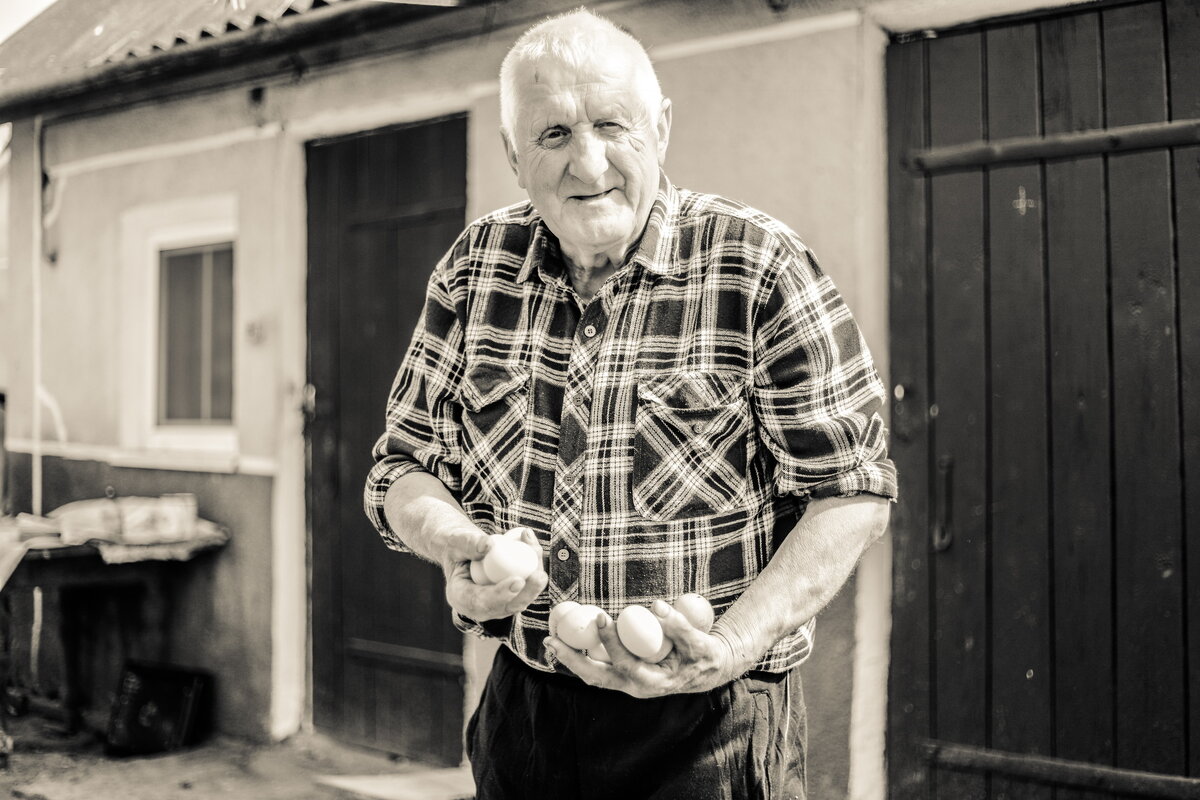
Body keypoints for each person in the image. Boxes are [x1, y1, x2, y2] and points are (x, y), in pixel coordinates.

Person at [364, 8, 895, 799]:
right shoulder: (476, 270)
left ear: (662, 127)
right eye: (552, 136)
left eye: (613, 125)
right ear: (513, 154)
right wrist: (456, 544)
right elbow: (403, 465)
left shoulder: (756, 266)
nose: (589, 163)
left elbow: (851, 493)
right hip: (528, 717)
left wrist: (731, 644)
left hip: (713, 726)